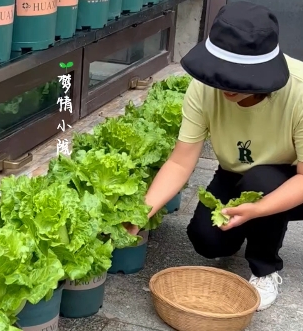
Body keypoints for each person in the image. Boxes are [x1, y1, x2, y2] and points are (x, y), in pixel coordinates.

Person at [126, 1, 303, 311]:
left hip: (291, 176)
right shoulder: (204, 88)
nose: (224, 87)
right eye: (219, 75)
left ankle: (266, 268)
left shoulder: (299, 91)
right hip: (235, 172)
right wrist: (143, 212)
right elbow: (180, 161)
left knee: (264, 182)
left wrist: (259, 208)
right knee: (207, 242)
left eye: (234, 80)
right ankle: (255, 223)